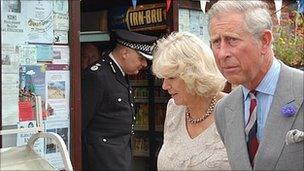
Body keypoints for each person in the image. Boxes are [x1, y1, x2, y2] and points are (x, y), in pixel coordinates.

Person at [208, 1, 304, 170]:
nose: (222, 53)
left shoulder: (300, 89)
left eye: (232, 40)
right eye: (216, 42)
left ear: (264, 41)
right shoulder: (223, 110)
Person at [152, 31, 230, 170]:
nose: (164, 86)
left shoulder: (234, 109)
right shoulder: (173, 109)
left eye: (171, 77)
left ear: (195, 74)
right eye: (163, 78)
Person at [81, 29, 157, 171]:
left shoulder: (119, 72)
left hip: (119, 158)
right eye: (141, 58)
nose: (145, 64)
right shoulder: (98, 76)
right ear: (125, 53)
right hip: (101, 161)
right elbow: (81, 124)